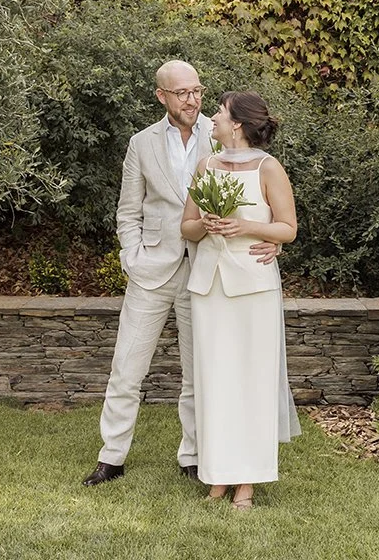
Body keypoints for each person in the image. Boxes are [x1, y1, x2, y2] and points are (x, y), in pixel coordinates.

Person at [83, 62, 280, 487]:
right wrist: (131, 257)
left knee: (200, 371)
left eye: (197, 91)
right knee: (127, 368)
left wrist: (275, 239)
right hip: (151, 270)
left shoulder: (223, 134)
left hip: (210, 273)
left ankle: (193, 456)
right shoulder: (142, 143)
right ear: (161, 96)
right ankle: (111, 456)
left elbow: (259, 198)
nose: (192, 100)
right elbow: (128, 209)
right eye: (182, 93)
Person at [180, 90, 301, 511]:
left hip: (253, 288)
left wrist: (246, 225)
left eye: (219, 112)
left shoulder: (269, 168)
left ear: (237, 123)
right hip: (209, 287)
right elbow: (187, 227)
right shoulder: (206, 165)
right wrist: (206, 225)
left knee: (250, 382)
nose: (212, 118)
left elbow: (288, 229)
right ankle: (216, 475)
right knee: (213, 380)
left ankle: (246, 481)